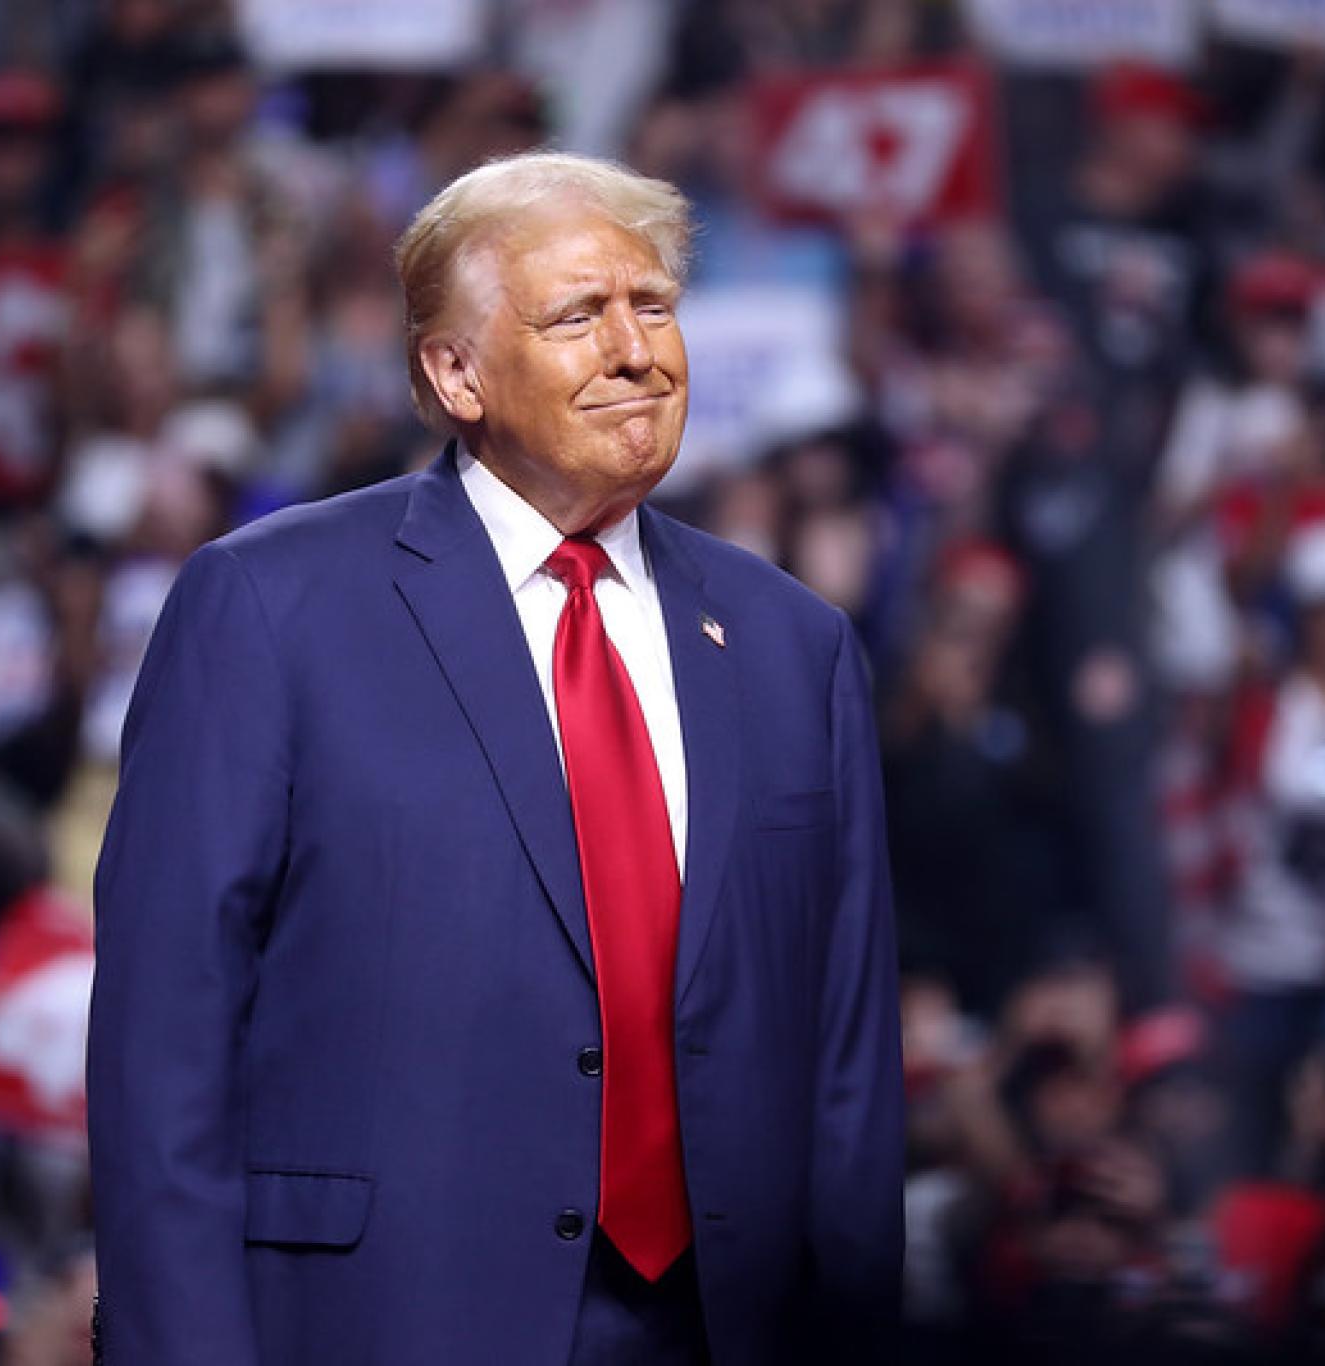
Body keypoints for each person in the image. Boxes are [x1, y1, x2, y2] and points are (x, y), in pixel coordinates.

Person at [87, 151, 904, 1364]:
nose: (636, 351)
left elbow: (847, 1075)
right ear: (454, 372)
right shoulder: (267, 606)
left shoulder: (795, 645)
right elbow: (165, 1049)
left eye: (654, 307)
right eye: (579, 315)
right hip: (381, 1322)